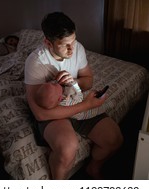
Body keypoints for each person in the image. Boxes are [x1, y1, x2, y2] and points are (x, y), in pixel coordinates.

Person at [24, 12, 123, 180]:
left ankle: (93, 168)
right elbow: (40, 113)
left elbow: (88, 81)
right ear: (48, 43)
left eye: (73, 41)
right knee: (68, 148)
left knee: (114, 139)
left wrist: (73, 81)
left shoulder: (77, 48)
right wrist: (86, 106)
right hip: (55, 111)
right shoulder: (35, 62)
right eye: (65, 45)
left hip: (75, 99)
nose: (72, 49)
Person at [35, 80, 105, 120]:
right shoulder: (66, 101)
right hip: (82, 114)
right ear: (60, 98)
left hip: (79, 105)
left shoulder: (56, 98)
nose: (54, 83)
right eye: (54, 85)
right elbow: (80, 98)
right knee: (101, 107)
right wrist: (74, 84)